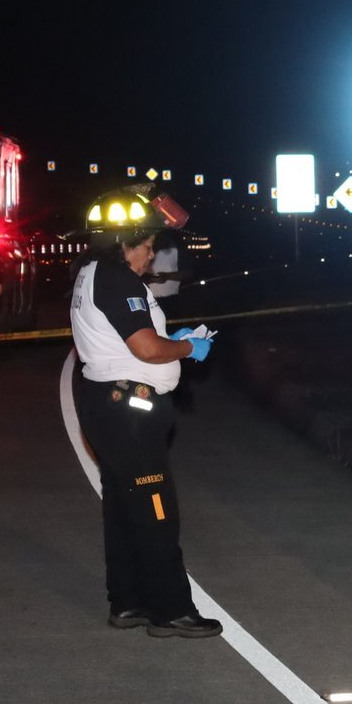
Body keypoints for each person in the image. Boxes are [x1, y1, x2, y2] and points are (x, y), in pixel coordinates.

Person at [68, 186, 222, 639]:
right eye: (148, 246)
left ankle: (129, 601)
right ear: (124, 242)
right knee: (156, 510)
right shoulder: (118, 279)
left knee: (122, 506)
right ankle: (170, 610)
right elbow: (147, 347)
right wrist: (188, 347)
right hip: (128, 411)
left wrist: (178, 339)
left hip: (108, 404)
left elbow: (127, 338)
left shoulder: (89, 271)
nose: (151, 256)